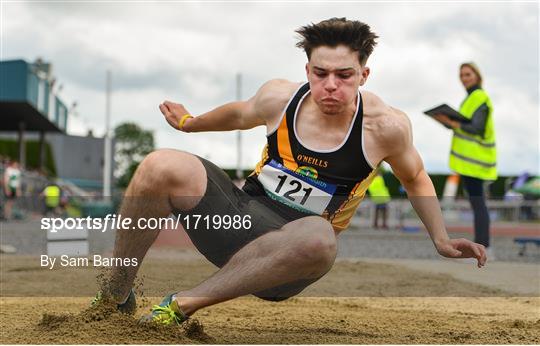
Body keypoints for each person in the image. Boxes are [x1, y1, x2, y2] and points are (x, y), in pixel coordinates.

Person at [95, 18, 487, 325]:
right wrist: (189, 123)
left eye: (344, 76)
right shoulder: (281, 98)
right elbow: (240, 113)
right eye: (320, 74)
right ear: (308, 70)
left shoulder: (385, 127)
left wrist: (441, 238)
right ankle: (116, 292)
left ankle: (180, 306)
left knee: (320, 235)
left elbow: (415, 176)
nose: (330, 86)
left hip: (289, 258)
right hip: (237, 220)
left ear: (364, 75)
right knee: (159, 163)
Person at [434, 62, 496, 258]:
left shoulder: (479, 97)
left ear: (477, 76)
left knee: (479, 205)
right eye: (462, 75)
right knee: (478, 204)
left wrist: (453, 123)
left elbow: (476, 128)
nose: (464, 78)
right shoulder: (470, 98)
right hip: (470, 162)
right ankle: (483, 247)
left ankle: (484, 247)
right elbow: (464, 125)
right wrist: (448, 123)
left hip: (475, 162)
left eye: (468, 74)